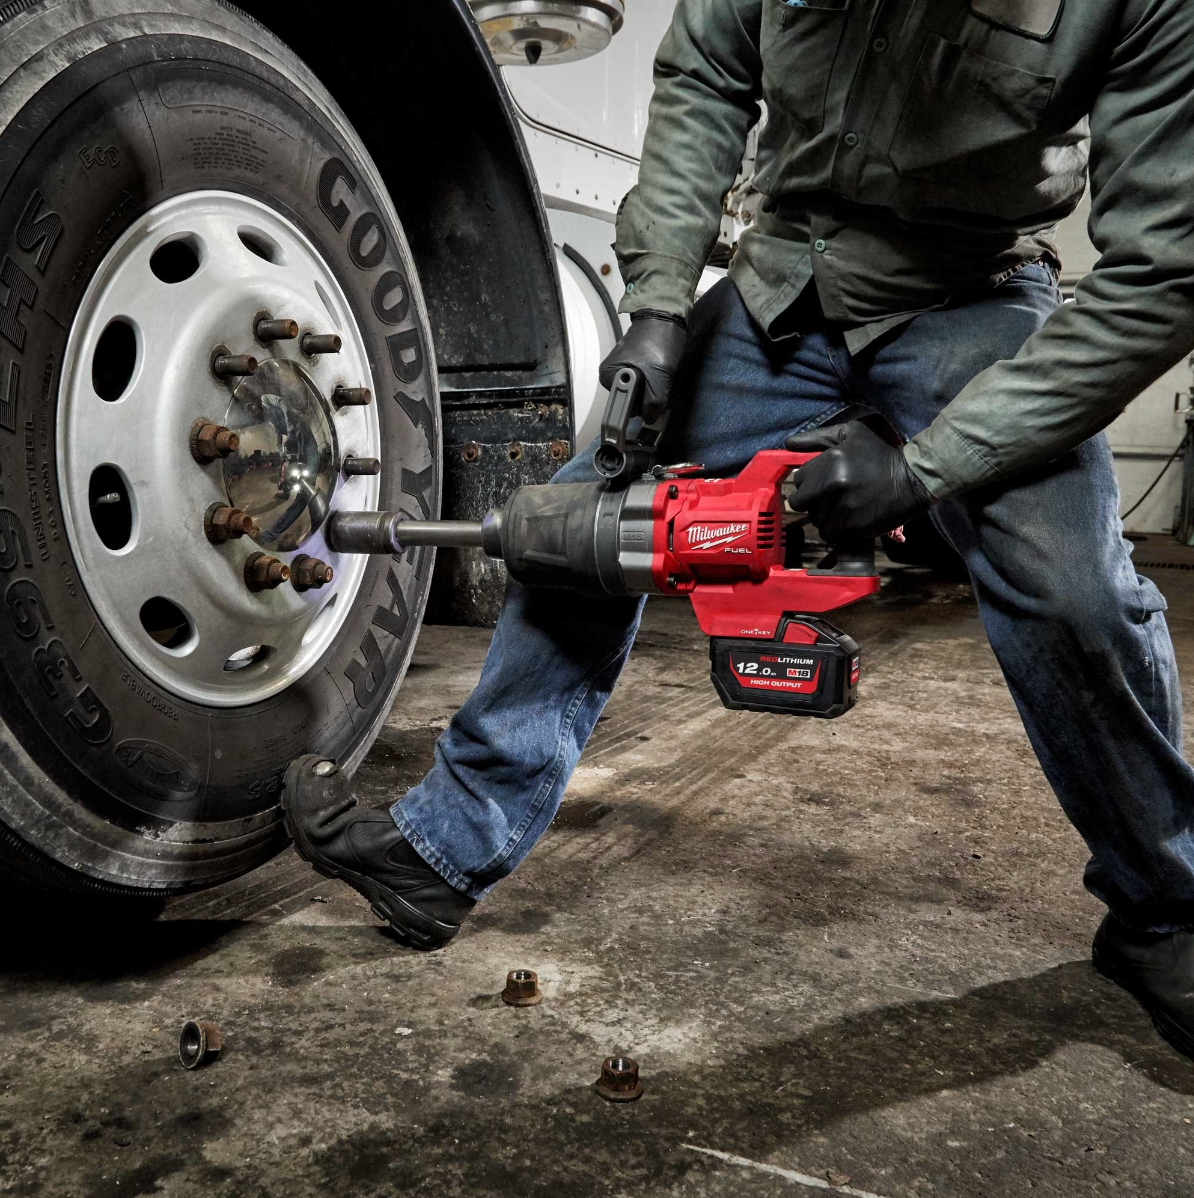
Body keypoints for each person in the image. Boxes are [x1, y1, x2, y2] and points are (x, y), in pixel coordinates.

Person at [284, 0, 1194, 1060]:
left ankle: (1166, 907)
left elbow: (1162, 272)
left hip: (974, 295)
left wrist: (920, 471)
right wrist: (660, 306)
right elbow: (709, 78)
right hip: (786, 286)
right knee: (588, 516)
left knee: (1074, 592)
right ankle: (443, 851)